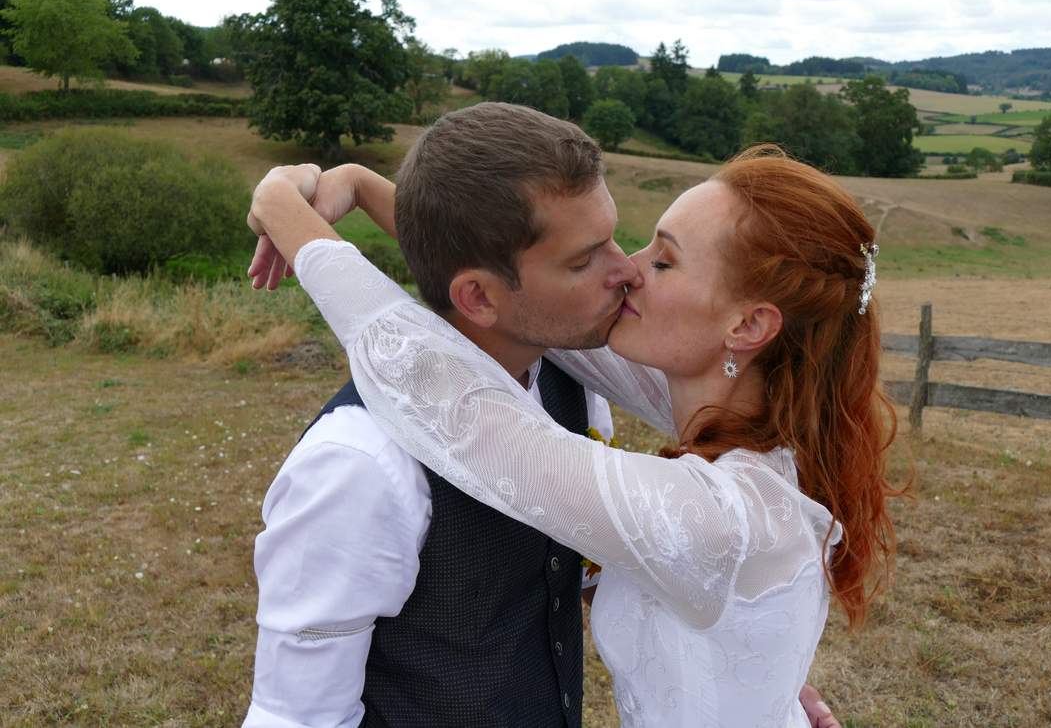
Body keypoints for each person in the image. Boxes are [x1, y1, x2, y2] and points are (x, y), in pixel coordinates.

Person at [247, 104, 850, 727]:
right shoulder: (357, 465)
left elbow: (448, 389)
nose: (625, 272)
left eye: (662, 260)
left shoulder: (710, 509)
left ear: (748, 326)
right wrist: (373, 189)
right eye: (590, 256)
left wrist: (282, 206)